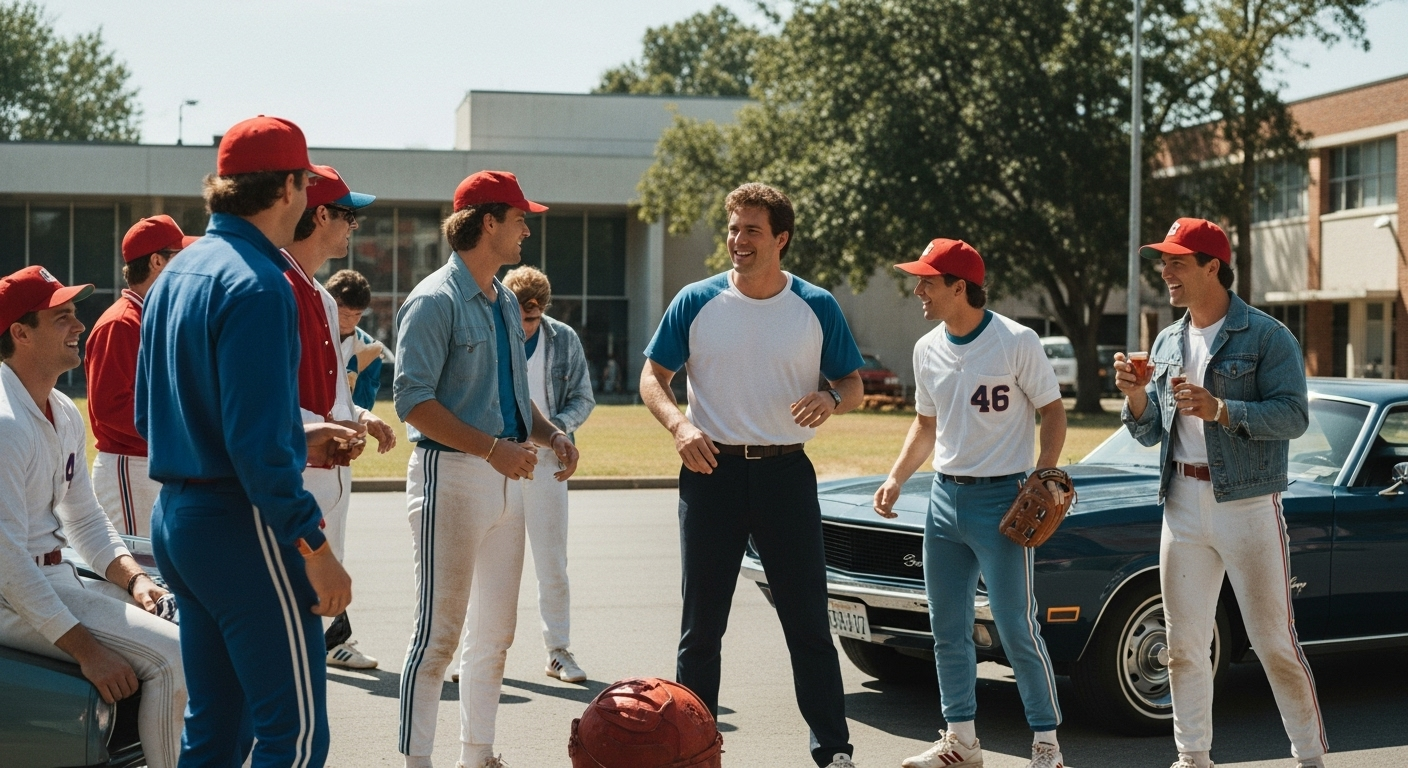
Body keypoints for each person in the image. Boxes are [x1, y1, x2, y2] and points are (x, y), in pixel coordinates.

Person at [135, 115, 363, 767]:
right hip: (241, 523)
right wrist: (314, 545)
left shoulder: (178, 273)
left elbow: (161, 416)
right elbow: (256, 452)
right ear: (291, 189)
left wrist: (300, 434)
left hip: (178, 518)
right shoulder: (260, 282)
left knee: (217, 728)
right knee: (293, 737)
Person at [639, 182, 865, 768]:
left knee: (808, 622)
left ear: (781, 239)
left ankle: (834, 750)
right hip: (709, 472)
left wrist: (832, 400)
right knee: (701, 629)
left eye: (752, 230)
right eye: (734, 229)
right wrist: (679, 427)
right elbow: (652, 377)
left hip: (786, 476)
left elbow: (853, 384)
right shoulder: (695, 300)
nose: (738, 241)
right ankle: (695, 749)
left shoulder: (816, 305)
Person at [1113, 218, 1326, 768]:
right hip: (1180, 504)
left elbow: (1295, 416)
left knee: (1274, 642)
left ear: (1213, 267)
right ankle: (1193, 758)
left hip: (1247, 503)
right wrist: (1137, 396)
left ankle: (1309, 758)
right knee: (1183, 646)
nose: (1166, 273)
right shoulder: (1167, 340)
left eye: (1177, 262)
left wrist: (1223, 409)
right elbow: (1150, 430)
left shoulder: (1267, 335)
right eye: (1163, 263)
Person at [394, 170, 580, 768]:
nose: (527, 229)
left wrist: (550, 433)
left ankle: (477, 755)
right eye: (520, 218)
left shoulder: (502, 299)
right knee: (437, 638)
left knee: (495, 636)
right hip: (450, 474)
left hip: (507, 477)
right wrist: (490, 449)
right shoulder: (433, 300)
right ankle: (416, 762)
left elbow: (513, 398)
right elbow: (412, 402)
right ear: (488, 222)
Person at [872, 239, 1068, 768]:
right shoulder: (926, 347)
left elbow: (1053, 412)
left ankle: (1046, 745)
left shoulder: (1015, 340)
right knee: (947, 628)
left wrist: (1045, 473)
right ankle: (962, 740)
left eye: (928, 282)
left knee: (1015, 626)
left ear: (960, 287)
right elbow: (925, 424)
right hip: (943, 500)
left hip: (1004, 500)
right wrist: (896, 477)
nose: (918, 290)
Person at [0, 265, 185, 768]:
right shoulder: (4, 422)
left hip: (51, 577)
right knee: (176, 660)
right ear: (20, 332)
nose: (79, 325)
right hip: (11, 596)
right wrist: (87, 649)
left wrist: (135, 580)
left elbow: (85, 519)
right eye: (62, 317)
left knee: (191, 615)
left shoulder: (60, 406)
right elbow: (8, 564)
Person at [284, 170, 397, 671]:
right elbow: (257, 399)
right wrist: (318, 426)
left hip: (325, 475)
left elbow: (333, 394)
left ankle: (332, 640)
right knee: (283, 655)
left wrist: (358, 421)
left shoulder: (323, 297)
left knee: (303, 649)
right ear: (321, 214)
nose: (355, 227)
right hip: (289, 479)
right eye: (349, 215)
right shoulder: (276, 286)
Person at [490, 264, 594, 681]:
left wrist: (557, 432)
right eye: (518, 316)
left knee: (552, 561)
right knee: (493, 561)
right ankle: (483, 649)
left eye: (532, 318)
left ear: (544, 311)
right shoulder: (494, 332)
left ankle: (558, 650)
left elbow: (583, 397)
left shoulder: (562, 339)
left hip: (548, 462)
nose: (525, 326)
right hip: (497, 458)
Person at [85, 215, 197, 536]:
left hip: (153, 463)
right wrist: (178, 435)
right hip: (129, 467)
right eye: (181, 256)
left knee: (158, 574)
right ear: (157, 261)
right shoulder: (120, 323)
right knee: (134, 575)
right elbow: (111, 407)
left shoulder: (154, 315)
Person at [324, 269, 388, 411]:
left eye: (358, 314)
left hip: (347, 430)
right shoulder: (307, 334)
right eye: (345, 314)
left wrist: (356, 372)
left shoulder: (369, 348)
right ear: (328, 304)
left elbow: (364, 405)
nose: (351, 321)